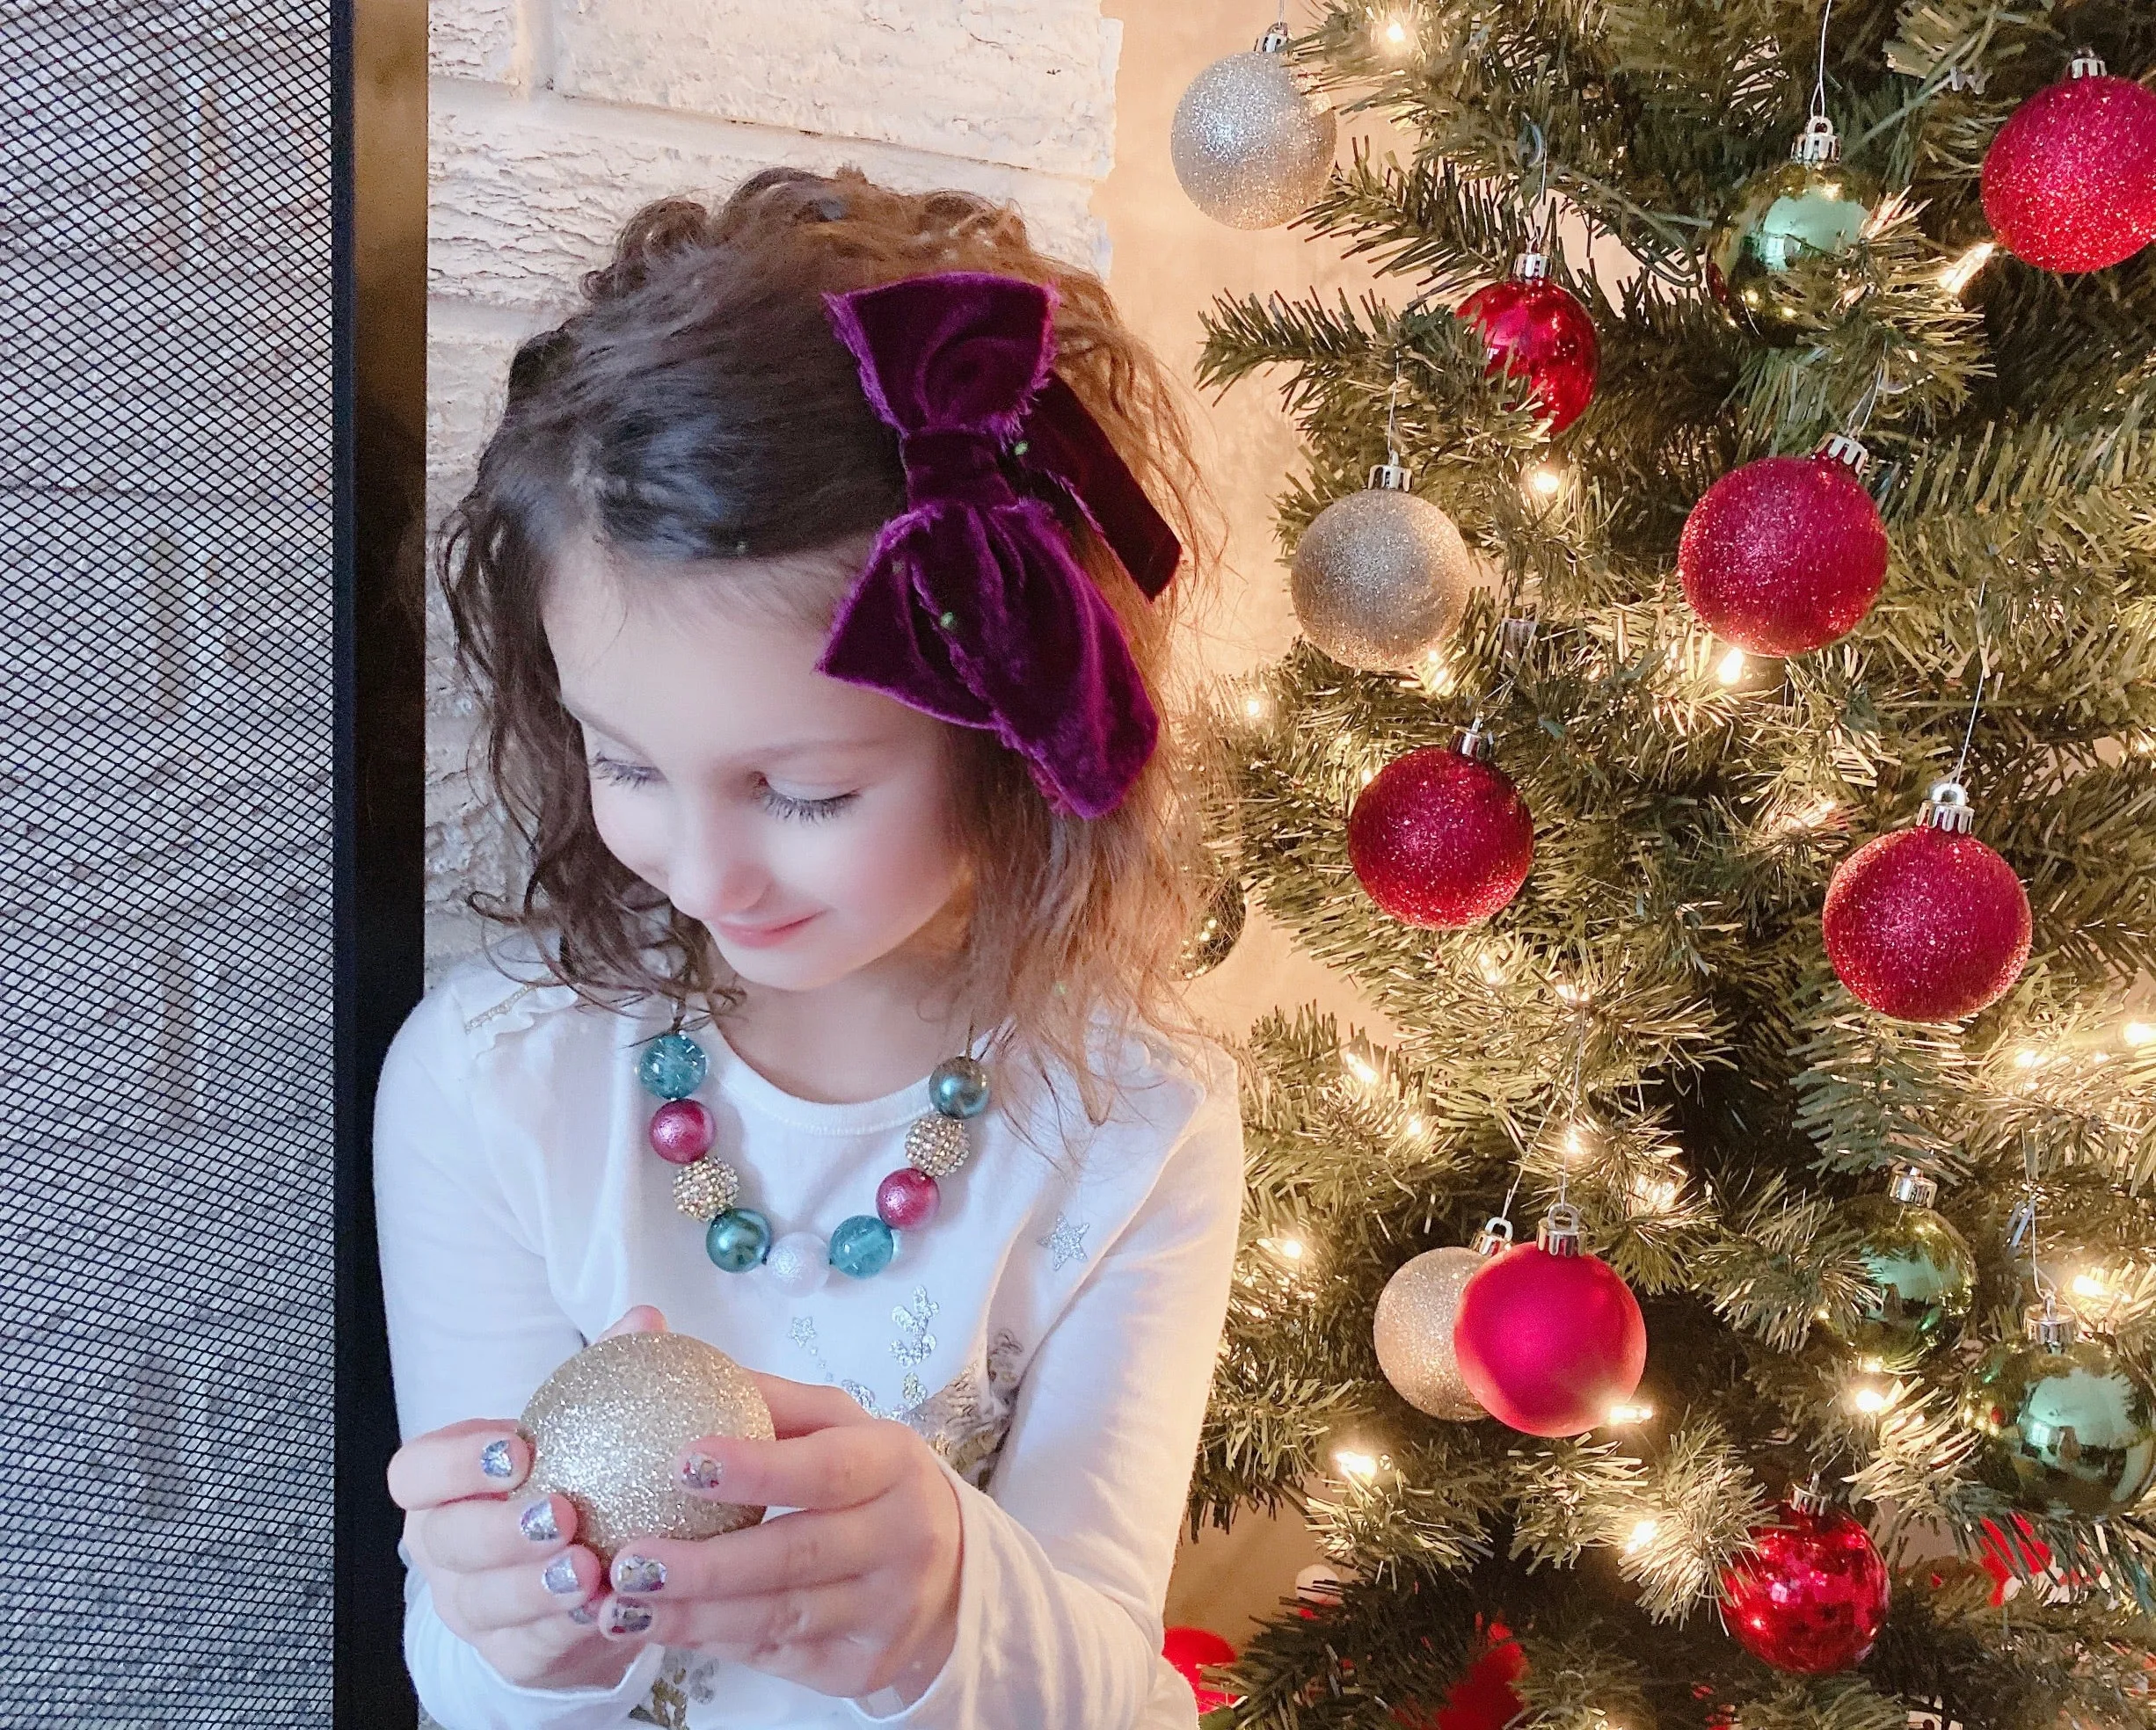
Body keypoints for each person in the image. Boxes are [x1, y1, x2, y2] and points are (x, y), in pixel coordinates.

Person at [373, 165, 1244, 1730]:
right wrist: (521, 1637)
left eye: (801, 790)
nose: (704, 871)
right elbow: (461, 1680)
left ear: (1009, 727)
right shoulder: (494, 1085)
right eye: (624, 762)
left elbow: (1111, 1692)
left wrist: (946, 1614)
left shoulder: (1129, 1122)